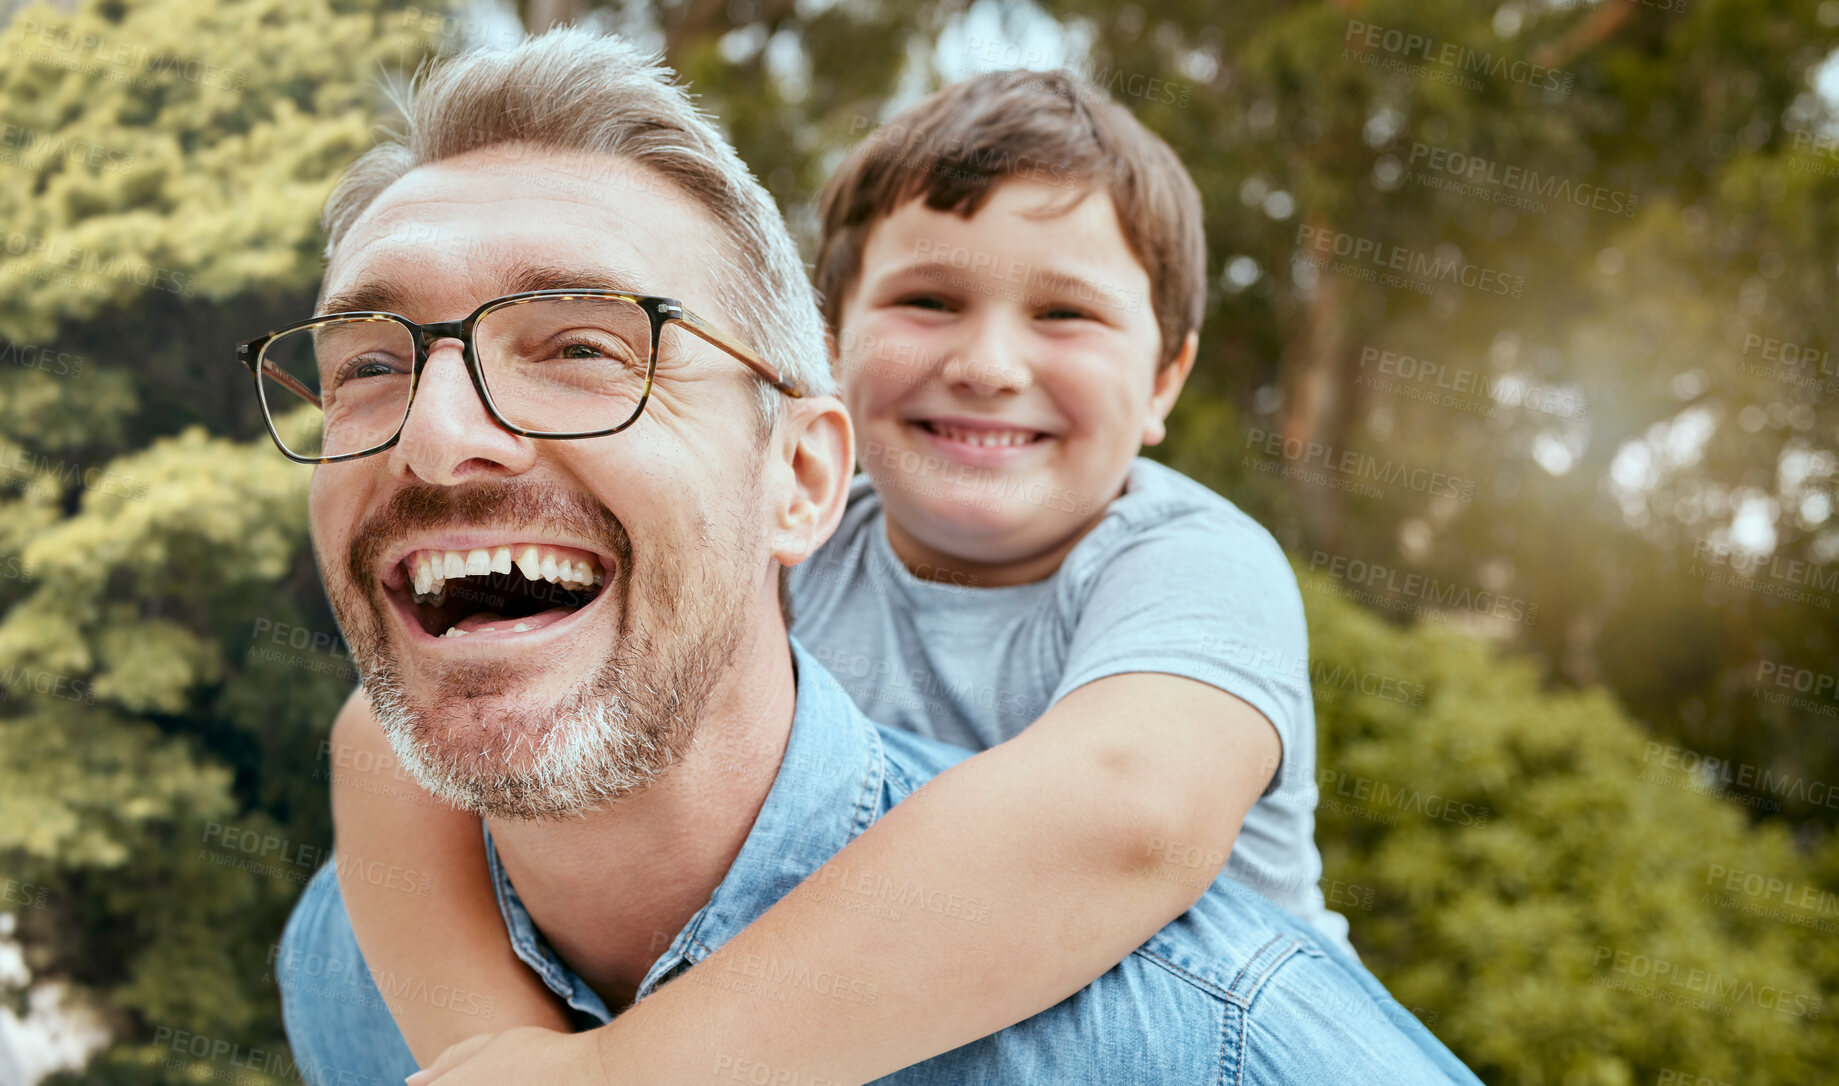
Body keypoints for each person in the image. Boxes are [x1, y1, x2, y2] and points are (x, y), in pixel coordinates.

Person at [263, 27, 1482, 1085]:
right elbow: (385, 740)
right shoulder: (793, 537)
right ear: (831, 364)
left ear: (1167, 378)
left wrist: (621, 1073)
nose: (989, 363)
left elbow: (1127, 817)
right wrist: (489, 1041)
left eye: (1065, 315)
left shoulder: (1184, 559)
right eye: (929, 304)